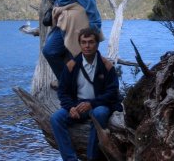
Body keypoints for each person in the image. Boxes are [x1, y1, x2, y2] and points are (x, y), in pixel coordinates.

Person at [50, 28, 123, 161]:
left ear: (97, 44)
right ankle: (70, 158)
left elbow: (112, 92)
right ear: (80, 44)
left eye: (91, 42)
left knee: (99, 113)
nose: (87, 46)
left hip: (99, 104)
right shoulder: (71, 65)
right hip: (77, 104)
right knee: (56, 118)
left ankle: (92, 157)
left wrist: (91, 104)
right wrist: (70, 107)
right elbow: (63, 91)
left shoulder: (106, 66)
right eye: (83, 42)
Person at [42, 0, 103, 82]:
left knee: (78, 58)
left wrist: (94, 27)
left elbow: (90, 2)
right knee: (50, 51)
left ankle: (83, 89)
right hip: (64, 24)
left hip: (77, 25)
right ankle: (68, 82)